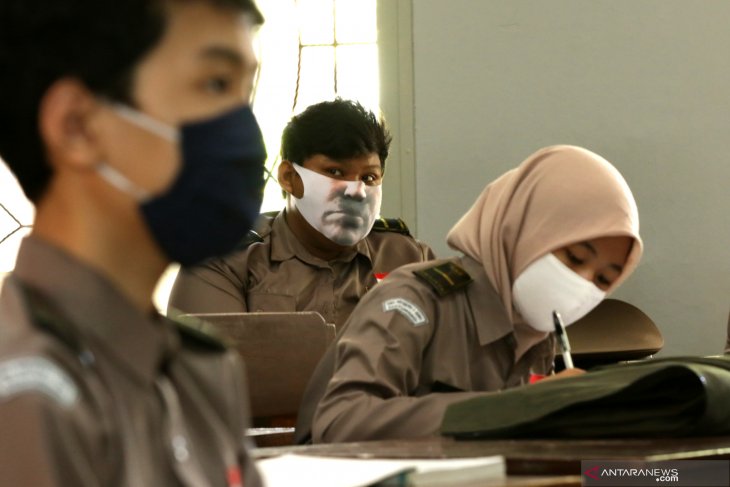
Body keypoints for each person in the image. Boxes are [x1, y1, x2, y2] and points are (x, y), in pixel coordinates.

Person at [0, 0, 267, 485]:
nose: (244, 132)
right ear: (77, 126)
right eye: (214, 84)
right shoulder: (27, 397)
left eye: (245, 92)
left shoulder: (203, 373)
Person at [296, 145, 643, 443]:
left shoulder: (534, 333)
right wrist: (521, 406)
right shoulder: (414, 300)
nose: (581, 283)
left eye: (603, 279)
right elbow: (340, 421)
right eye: (575, 257)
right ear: (520, 229)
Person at [168, 98, 435, 329]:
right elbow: (210, 377)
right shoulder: (224, 261)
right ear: (289, 177)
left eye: (368, 176)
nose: (356, 191)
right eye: (334, 172)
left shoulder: (409, 259)